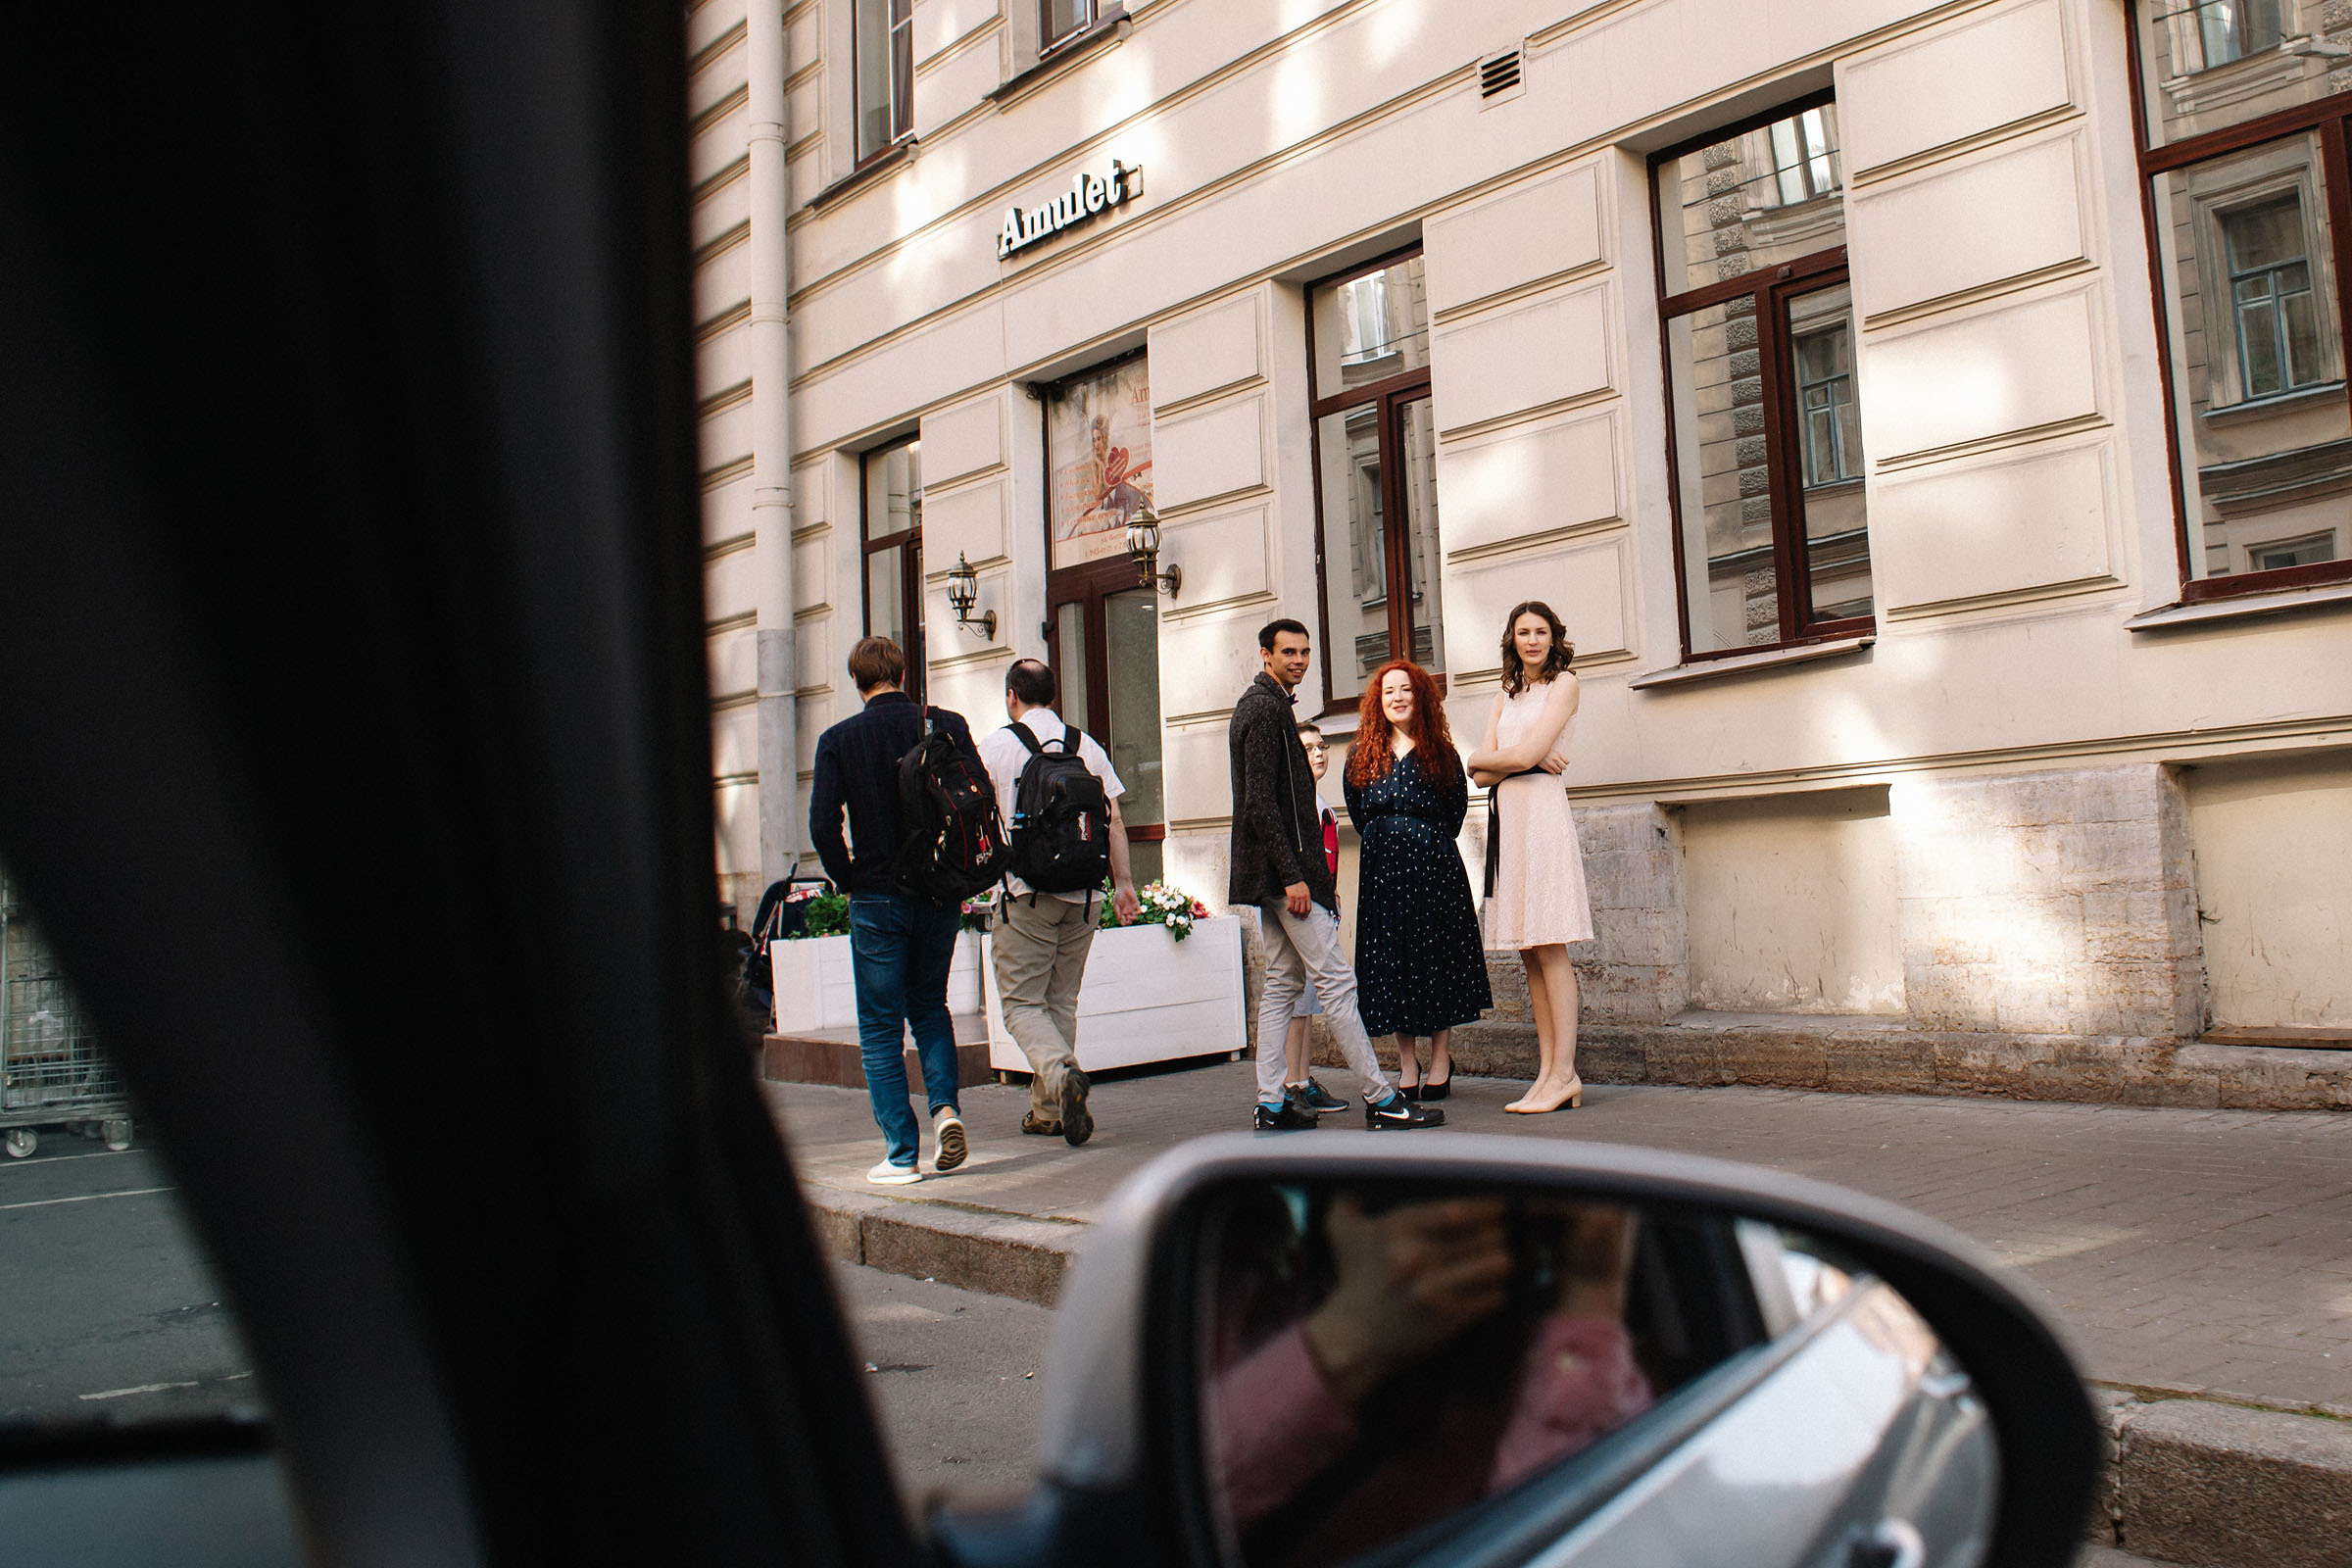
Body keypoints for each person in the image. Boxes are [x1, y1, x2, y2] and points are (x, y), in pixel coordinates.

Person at [1228, 619, 1441, 1132]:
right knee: (1338, 984)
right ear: (1265, 655)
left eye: (1304, 652)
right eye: (1288, 652)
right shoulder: (1263, 709)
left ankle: (1272, 1103)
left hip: (1278, 875)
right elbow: (1259, 802)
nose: (1299, 660)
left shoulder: (1272, 706)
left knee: (1281, 984)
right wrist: (1293, 876)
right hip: (1288, 878)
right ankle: (1382, 1099)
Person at [808, 636, 981, 1184]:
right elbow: (977, 793)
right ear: (903, 673)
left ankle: (902, 1154)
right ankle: (946, 1111)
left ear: (857, 680)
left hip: (878, 892)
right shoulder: (946, 724)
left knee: (881, 1027)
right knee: (930, 1005)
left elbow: (821, 823)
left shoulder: (839, 738)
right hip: (939, 890)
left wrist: (848, 876)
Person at [976, 658, 1142, 1146]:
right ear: (1053, 694)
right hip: (1085, 894)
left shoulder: (996, 748)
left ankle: (1063, 1073)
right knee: (1060, 1001)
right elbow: (1112, 820)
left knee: (1023, 1004)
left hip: (1025, 893)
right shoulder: (1084, 745)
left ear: (1012, 695)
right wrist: (1124, 885)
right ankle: (1049, 1112)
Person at [1344, 661, 1492, 1102]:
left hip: (1433, 871)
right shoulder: (1361, 754)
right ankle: (1407, 1063)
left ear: (1420, 696)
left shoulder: (1440, 753)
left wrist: (1419, 838)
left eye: (1405, 690)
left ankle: (1441, 1057)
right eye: (1388, 691)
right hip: (1382, 876)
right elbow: (1358, 810)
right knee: (1392, 964)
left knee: (1435, 960)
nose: (1397, 698)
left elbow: (1454, 814)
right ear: (1378, 701)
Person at [1465, 602, 1592, 1114]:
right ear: (1512, 640)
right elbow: (1478, 772)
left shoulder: (1565, 684)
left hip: (1541, 817)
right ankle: (1546, 1073)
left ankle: (1566, 1072)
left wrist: (1512, 757)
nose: (1533, 640)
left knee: (1550, 942)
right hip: (1509, 822)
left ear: (1553, 637)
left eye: (1541, 632)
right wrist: (1511, 757)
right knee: (1527, 949)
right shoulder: (1506, 694)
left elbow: (1506, 758)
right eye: (1523, 632)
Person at [1276, 722, 1348, 1115]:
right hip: (1301, 910)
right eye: (1308, 749)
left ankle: (1302, 1078)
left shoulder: (1321, 804)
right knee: (1297, 1003)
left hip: (1323, 907)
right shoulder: (1296, 805)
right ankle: (1291, 1082)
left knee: (1308, 1001)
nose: (1319, 753)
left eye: (1322, 746)